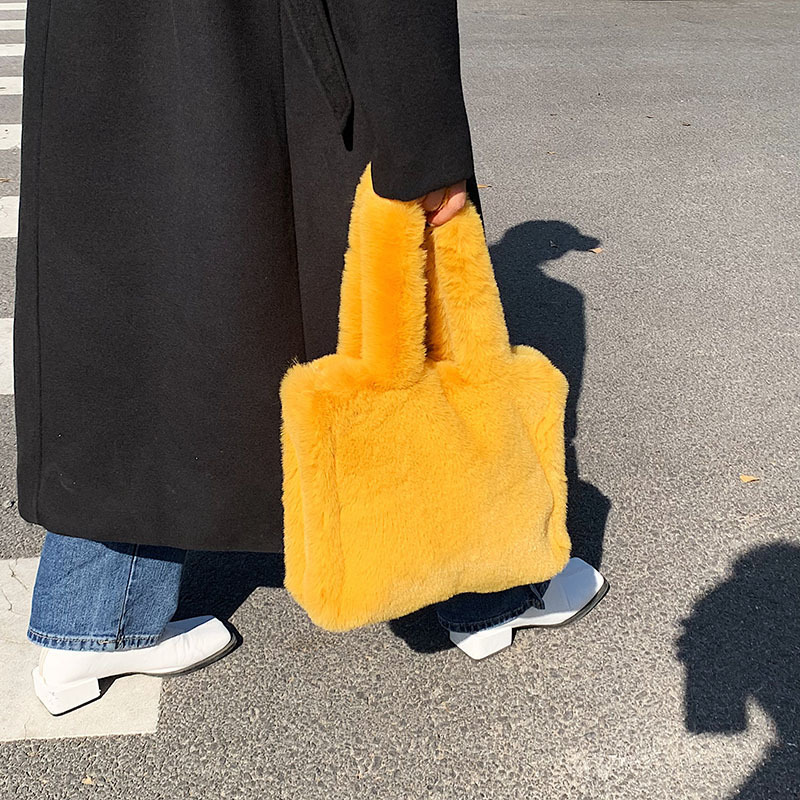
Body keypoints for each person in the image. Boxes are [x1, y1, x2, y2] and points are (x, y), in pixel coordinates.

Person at [14, 1, 607, 715]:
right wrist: (423, 137)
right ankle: (484, 588)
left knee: (131, 313)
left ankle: (93, 616)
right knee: (388, 315)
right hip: (281, 52)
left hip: (100, 54)